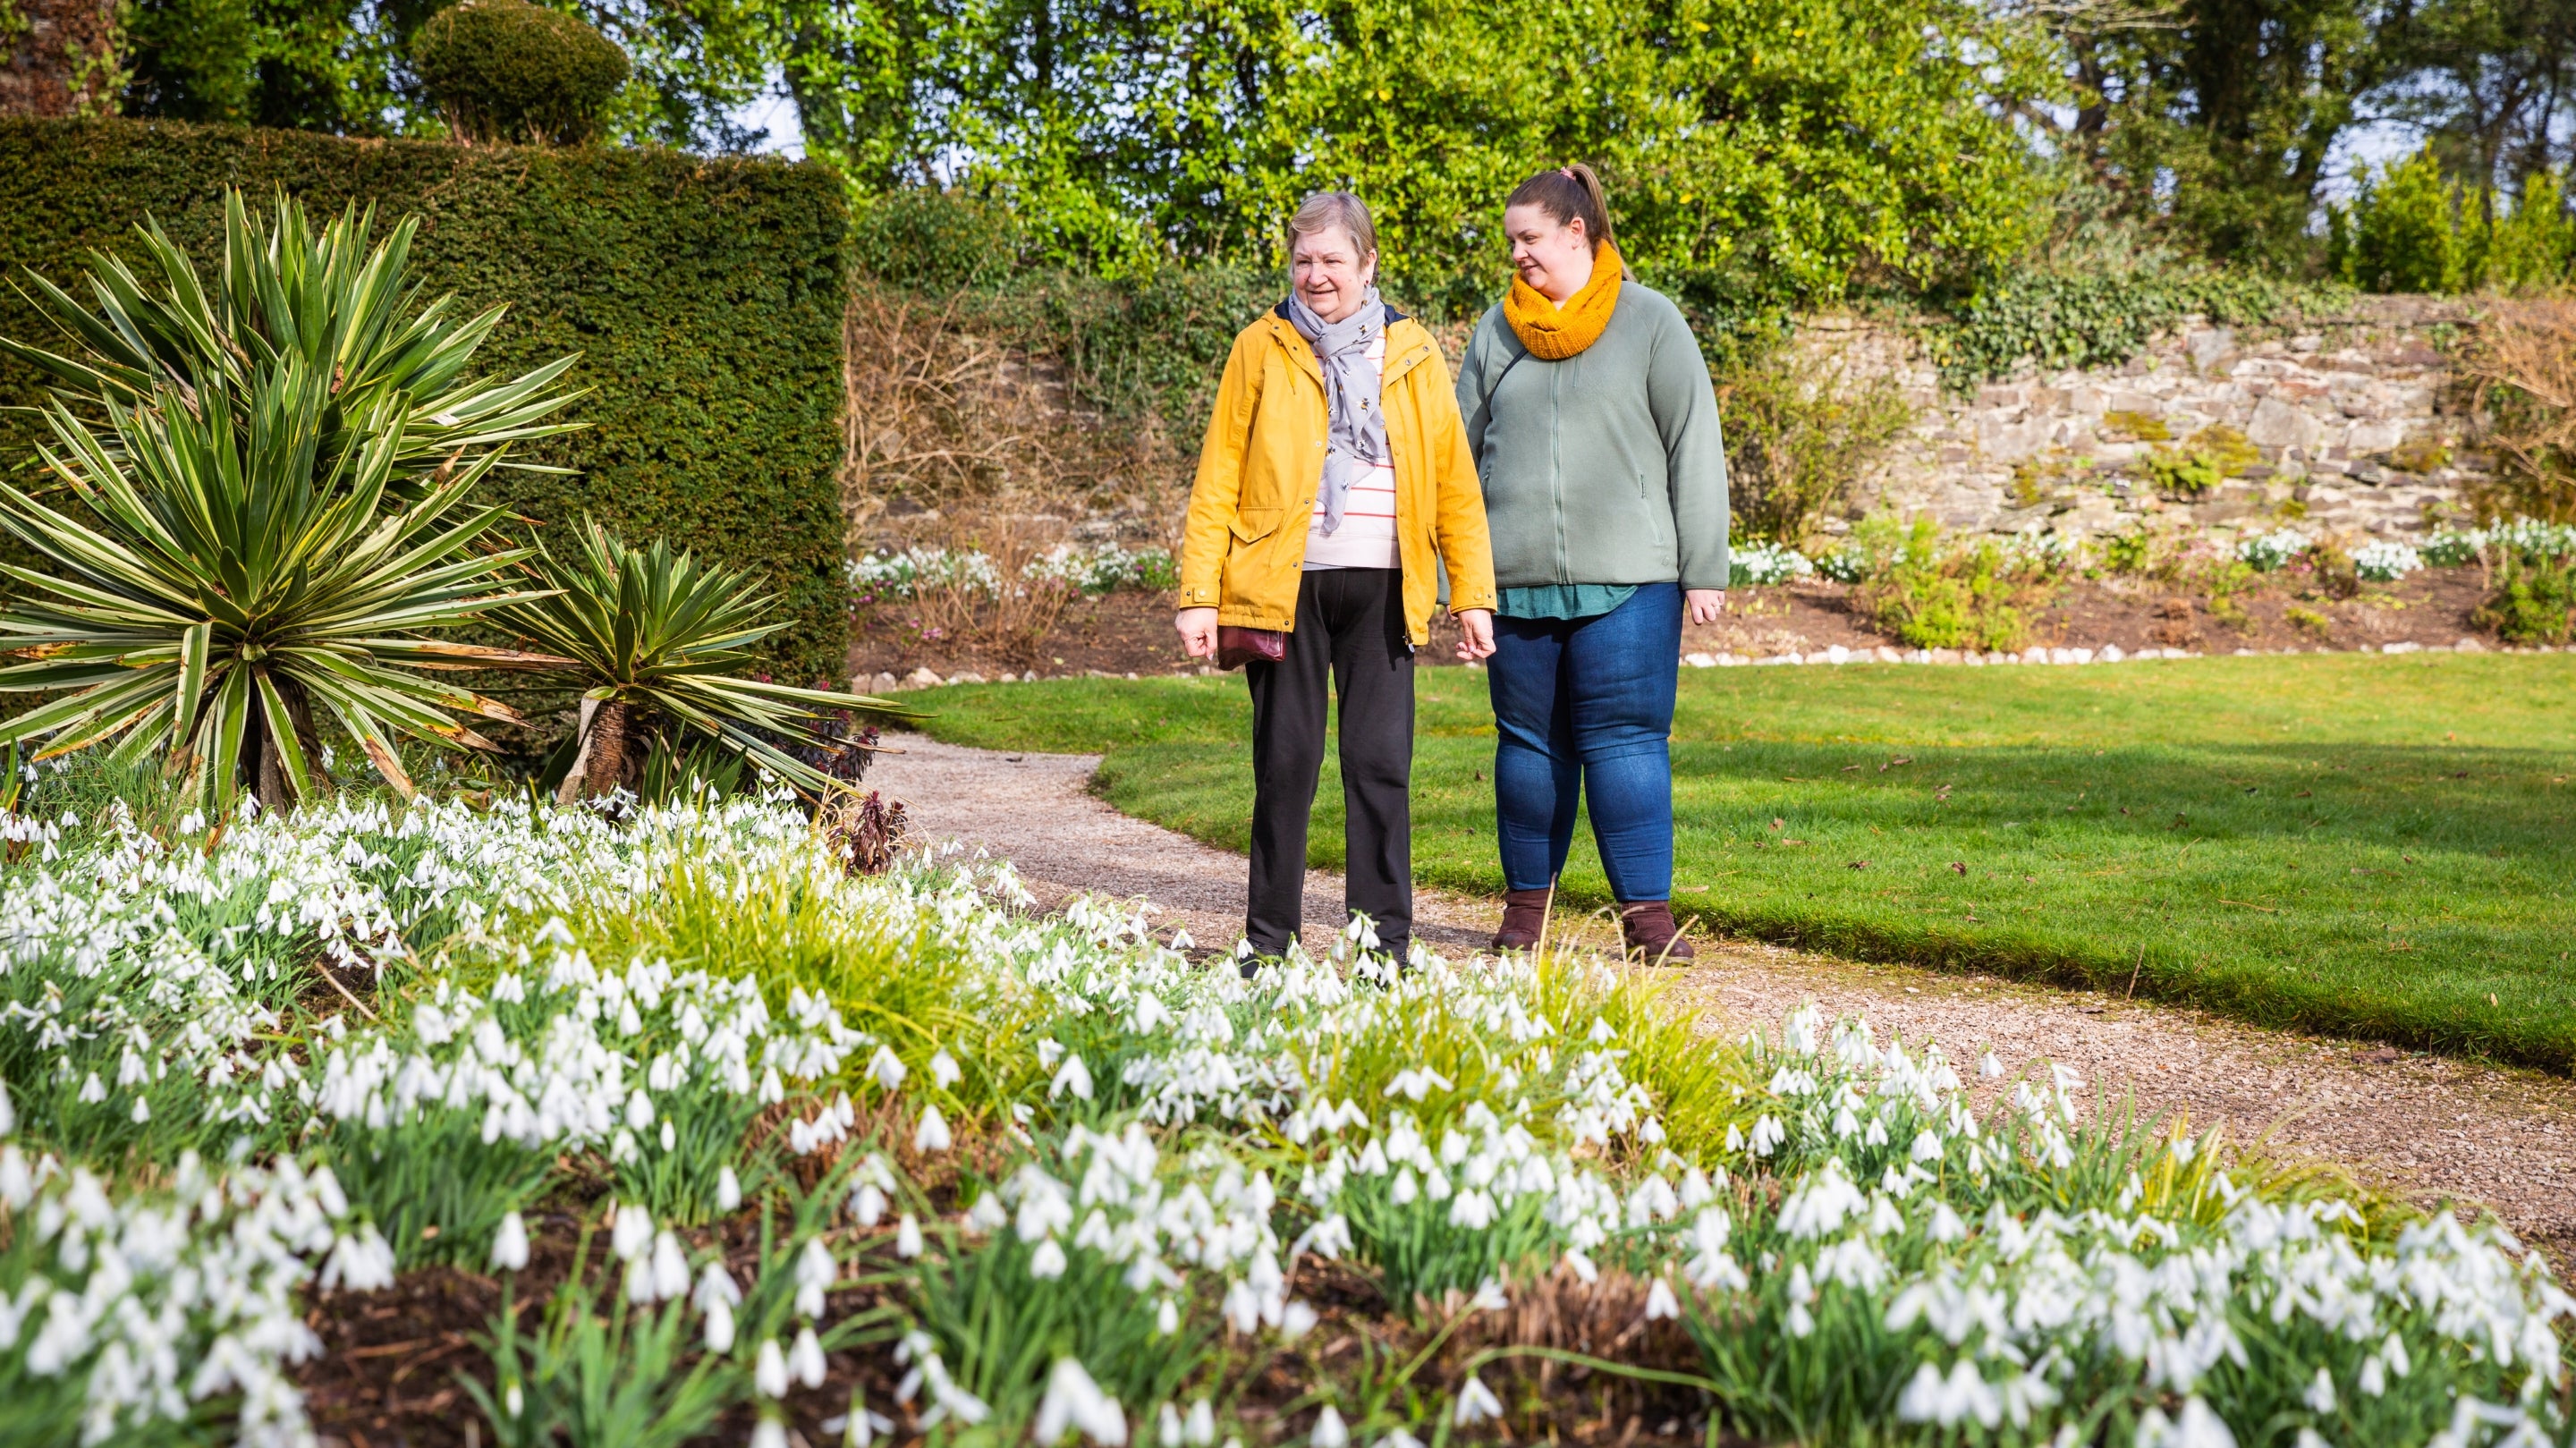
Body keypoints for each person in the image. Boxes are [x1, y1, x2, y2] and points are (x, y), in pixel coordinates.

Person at [1175, 191, 1498, 968]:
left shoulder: (1414, 352)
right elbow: (1219, 471)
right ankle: (1267, 944)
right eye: (1303, 260)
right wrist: (1200, 595)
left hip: (1386, 588)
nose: (1317, 276)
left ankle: (1382, 948)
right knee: (1285, 766)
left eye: (1332, 260)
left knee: (1380, 767)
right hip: (1281, 590)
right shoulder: (1262, 344)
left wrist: (1475, 594)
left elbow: (1455, 482)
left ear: (1368, 263)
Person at [1454, 164, 1728, 961]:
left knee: (1627, 744)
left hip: (1635, 581)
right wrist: (1456, 583)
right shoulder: (1493, 333)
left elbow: (1694, 446)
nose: (1518, 256)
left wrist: (1703, 566)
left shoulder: (1650, 320)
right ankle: (1523, 920)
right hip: (1516, 583)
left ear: (1578, 232)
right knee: (1527, 752)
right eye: (1511, 242)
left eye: (1529, 238)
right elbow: (1455, 464)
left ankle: (1648, 923)